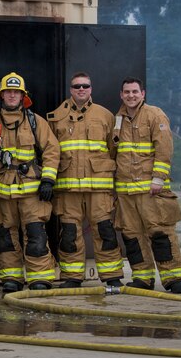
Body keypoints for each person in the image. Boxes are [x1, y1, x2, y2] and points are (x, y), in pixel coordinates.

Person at [46, 73, 125, 288]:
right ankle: (72, 277)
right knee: (70, 235)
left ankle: (111, 277)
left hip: (99, 188)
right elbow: (50, 151)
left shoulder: (106, 116)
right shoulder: (55, 117)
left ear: (91, 89)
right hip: (68, 188)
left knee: (105, 232)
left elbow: (114, 149)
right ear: (70, 89)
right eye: (76, 86)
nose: (81, 89)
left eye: (85, 86)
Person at [0, 73, 60, 293]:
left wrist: (48, 179)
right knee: (4, 237)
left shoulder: (36, 122)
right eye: (8, 91)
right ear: (0, 96)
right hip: (1, 192)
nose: (12, 95)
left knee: (36, 235)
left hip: (32, 193)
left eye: (16, 92)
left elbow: (52, 151)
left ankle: (40, 278)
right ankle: (12, 278)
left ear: (22, 96)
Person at [113, 77, 181, 293]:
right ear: (121, 95)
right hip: (126, 191)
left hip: (150, 189)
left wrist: (158, 179)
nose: (131, 96)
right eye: (127, 92)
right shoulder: (118, 119)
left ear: (143, 94)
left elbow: (164, 148)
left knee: (160, 232)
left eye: (135, 92)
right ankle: (142, 277)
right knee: (132, 235)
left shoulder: (155, 115)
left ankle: (173, 277)